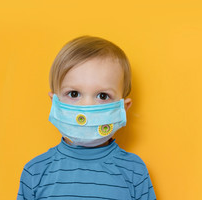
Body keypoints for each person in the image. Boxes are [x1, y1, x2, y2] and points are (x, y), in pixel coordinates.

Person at [17, 36, 156, 200]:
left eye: (103, 96)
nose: (87, 106)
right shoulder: (35, 171)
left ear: (123, 108)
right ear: (54, 102)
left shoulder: (134, 171)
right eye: (74, 94)